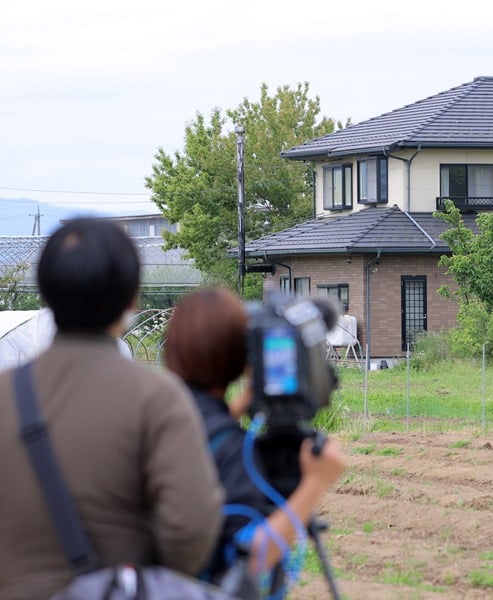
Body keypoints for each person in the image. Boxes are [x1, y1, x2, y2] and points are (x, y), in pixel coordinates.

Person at [0, 218, 225, 599]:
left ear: (44, 291)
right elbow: (191, 528)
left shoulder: (6, 393)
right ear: (132, 298)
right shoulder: (157, 397)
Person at [164, 287, 346, 590]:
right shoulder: (231, 448)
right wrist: (315, 483)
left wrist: (238, 408)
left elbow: (197, 433)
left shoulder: (163, 411)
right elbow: (253, 555)